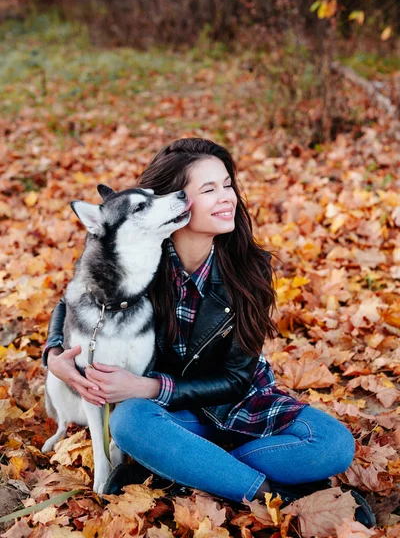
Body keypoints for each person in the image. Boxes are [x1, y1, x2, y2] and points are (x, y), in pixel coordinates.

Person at [42, 138, 375, 526]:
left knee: (334, 446)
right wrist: (54, 355)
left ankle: (188, 470)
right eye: (208, 189)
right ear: (174, 201)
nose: (226, 197)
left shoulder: (249, 269)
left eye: (227, 184)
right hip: (168, 416)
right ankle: (277, 496)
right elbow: (74, 301)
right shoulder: (138, 257)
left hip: (236, 400)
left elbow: (237, 379)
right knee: (129, 422)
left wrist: (151, 388)